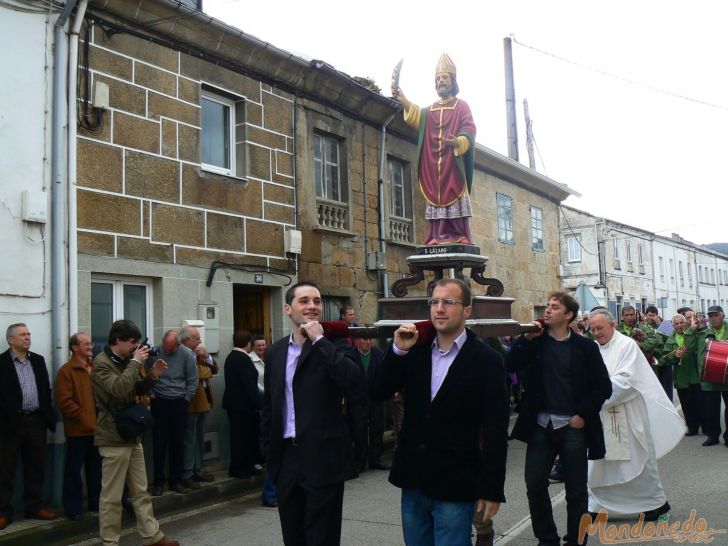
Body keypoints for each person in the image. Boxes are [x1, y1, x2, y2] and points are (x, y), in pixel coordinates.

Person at [370, 278, 509, 546]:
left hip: (456, 483)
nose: (439, 309)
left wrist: (492, 488)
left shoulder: (487, 361)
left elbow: (495, 428)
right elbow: (377, 392)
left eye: (449, 302)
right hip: (414, 479)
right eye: (434, 302)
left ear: (467, 310)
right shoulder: (414, 350)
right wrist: (397, 349)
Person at [260, 281, 361, 546]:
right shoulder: (276, 352)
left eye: (316, 301)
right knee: (293, 536)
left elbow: (353, 381)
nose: (312, 306)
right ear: (287, 308)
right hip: (287, 459)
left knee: (322, 538)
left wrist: (319, 340)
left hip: (323, 458)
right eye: (304, 301)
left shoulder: (336, 346)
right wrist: (271, 454)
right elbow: (270, 406)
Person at [508, 292, 612, 546]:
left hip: (572, 426)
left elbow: (602, 387)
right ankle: (547, 539)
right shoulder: (536, 342)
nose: (548, 311)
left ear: (568, 316)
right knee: (534, 484)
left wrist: (582, 415)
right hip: (541, 425)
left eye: (555, 307)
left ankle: (576, 540)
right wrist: (525, 339)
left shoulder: (585, 347)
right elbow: (508, 364)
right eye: (548, 306)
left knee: (576, 490)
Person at [587, 309, 684, 521]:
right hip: (603, 415)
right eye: (592, 329)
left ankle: (654, 505)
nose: (596, 333)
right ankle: (597, 506)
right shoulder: (592, 348)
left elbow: (627, 382)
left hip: (628, 413)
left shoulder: (627, 345)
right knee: (600, 463)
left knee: (638, 459)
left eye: (600, 328)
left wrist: (593, 395)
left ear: (612, 325)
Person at [91, 319, 178, 546]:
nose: (135, 347)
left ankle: (152, 536)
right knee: (112, 496)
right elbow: (119, 389)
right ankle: (109, 542)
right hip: (112, 435)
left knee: (141, 490)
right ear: (117, 340)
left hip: (131, 432)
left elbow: (136, 388)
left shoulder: (125, 360)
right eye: (132, 342)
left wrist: (153, 375)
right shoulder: (101, 363)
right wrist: (135, 363)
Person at [392, 53, 476, 245]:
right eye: (437, 79)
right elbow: (418, 118)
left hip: (452, 163)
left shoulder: (462, 107)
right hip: (433, 165)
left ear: (452, 81)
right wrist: (402, 98)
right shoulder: (430, 109)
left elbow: (469, 128)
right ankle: (437, 236)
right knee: (435, 196)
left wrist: (459, 141)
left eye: (444, 77)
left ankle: (460, 234)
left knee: (455, 194)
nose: (440, 81)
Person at [0, 323, 58, 530]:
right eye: (22, 335)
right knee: (5, 469)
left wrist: (45, 416)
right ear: (11, 340)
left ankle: (34, 506)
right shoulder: (2, 363)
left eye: (29, 334)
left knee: (36, 466)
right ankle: (4, 511)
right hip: (11, 424)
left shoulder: (38, 360)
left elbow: (45, 389)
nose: (27, 337)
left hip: (36, 421)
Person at [55, 332, 102, 520]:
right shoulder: (67, 371)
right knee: (74, 471)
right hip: (78, 430)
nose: (90, 346)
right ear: (75, 347)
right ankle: (73, 508)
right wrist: (85, 418)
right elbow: (65, 402)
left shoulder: (94, 368)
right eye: (86, 344)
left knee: (95, 469)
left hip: (97, 429)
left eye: (91, 343)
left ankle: (95, 502)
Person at [149, 331, 198, 496]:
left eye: (171, 349)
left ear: (178, 345)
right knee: (159, 442)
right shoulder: (155, 352)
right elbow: (145, 373)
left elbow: (193, 379)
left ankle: (175, 481)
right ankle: (158, 482)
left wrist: (186, 398)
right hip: (160, 400)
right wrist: (151, 393)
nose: (167, 351)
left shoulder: (186, 355)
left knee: (178, 443)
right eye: (166, 347)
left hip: (179, 401)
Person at [179, 326, 218, 490]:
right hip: (191, 403)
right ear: (187, 339)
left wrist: (207, 356)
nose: (200, 341)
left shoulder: (198, 353)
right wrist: (205, 370)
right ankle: (187, 473)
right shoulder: (181, 353)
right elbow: (194, 373)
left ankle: (198, 470)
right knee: (189, 441)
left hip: (202, 402)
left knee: (199, 440)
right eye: (196, 337)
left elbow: (214, 369)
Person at [222, 329, 261, 479]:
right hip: (242, 406)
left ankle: (246, 465)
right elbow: (249, 385)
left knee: (243, 436)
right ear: (249, 344)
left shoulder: (231, 357)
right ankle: (238, 467)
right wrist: (258, 404)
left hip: (235, 404)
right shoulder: (242, 359)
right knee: (241, 438)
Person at [350, 337, 389, 473]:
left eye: (370, 339)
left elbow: (385, 374)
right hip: (358, 399)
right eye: (364, 339)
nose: (368, 342)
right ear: (358, 340)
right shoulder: (351, 354)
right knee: (359, 431)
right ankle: (361, 460)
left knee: (377, 430)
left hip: (375, 397)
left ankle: (375, 460)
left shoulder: (379, 354)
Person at [660, 315, 703, 436]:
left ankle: (703, 424)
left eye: (681, 323)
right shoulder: (670, 339)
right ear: (673, 326)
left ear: (685, 323)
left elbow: (697, 349)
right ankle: (692, 427)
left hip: (694, 374)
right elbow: (666, 358)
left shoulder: (692, 334)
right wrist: (675, 356)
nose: (679, 325)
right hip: (681, 376)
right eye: (676, 323)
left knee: (699, 402)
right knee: (686, 404)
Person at [617, 306, 670, 399]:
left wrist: (642, 345)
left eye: (654, 315)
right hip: (627, 366)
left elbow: (665, 337)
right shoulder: (617, 329)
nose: (652, 317)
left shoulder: (659, 324)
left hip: (658, 362)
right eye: (649, 315)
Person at [249, 335, 277, 507]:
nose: (261, 347)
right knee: (277, 459)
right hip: (270, 410)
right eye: (258, 345)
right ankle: (270, 494)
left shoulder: (269, 360)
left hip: (274, 409)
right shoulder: (252, 361)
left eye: (263, 345)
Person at [696, 305, 728, 447]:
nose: (713, 318)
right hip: (710, 376)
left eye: (716, 315)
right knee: (711, 409)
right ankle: (713, 436)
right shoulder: (703, 333)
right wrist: (691, 330)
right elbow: (694, 351)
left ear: (723, 315)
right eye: (711, 316)